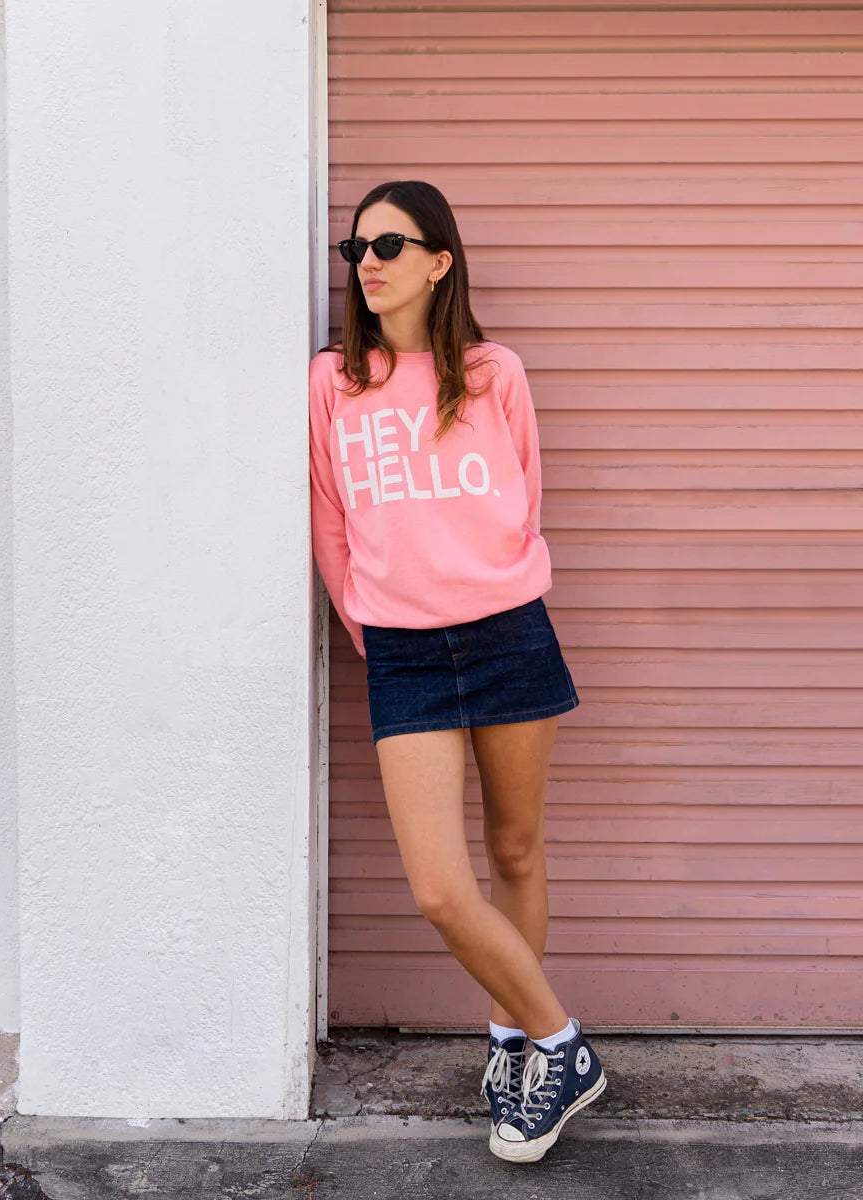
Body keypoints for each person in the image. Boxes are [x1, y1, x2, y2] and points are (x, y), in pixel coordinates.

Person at [308, 180, 607, 1163]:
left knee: (516, 852)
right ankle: (565, 1046)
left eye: (392, 245)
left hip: (510, 633)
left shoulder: (493, 373)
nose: (370, 263)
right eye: (358, 249)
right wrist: (373, 621)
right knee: (440, 886)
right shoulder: (331, 385)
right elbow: (333, 521)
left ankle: (512, 1044)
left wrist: (492, 585)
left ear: (441, 261)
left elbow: (524, 498)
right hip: (405, 655)